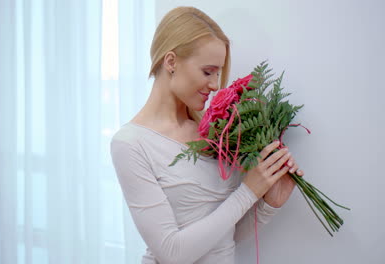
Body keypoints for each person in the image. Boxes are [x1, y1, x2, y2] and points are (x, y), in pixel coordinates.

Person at [110, 6, 304, 264]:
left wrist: (269, 202)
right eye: (207, 71)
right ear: (171, 62)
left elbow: (225, 237)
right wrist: (248, 191)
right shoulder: (130, 144)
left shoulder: (214, 133)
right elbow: (171, 253)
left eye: (218, 73)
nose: (215, 85)